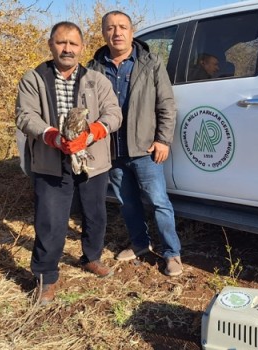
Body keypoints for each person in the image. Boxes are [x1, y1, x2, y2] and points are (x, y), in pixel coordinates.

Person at [16, 21, 123, 305]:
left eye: (73, 44)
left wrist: (92, 133)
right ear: (50, 45)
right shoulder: (34, 79)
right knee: (50, 221)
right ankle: (45, 278)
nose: (67, 49)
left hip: (92, 161)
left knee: (95, 214)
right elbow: (25, 116)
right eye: (61, 43)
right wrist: (52, 137)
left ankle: (91, 257)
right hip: (50, 161)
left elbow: (114, 114)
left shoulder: (97, 80)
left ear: (81, 48)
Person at [87, 11, 183, 276]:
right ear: (104, 32)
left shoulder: (150, 62)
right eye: (111, 28)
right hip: (112, 150)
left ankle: (171, 253)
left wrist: (163, 139)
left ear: (131, 31)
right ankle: (140, 244)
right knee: (127, 203)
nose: (117, 32)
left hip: (145, 149)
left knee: (158, 201)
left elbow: (166, 104)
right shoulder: (94, 68)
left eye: (122, 27)